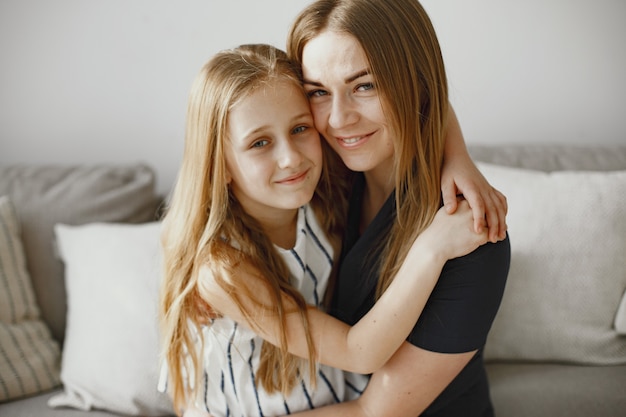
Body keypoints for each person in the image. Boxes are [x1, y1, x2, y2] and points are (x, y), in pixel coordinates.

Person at [158, 43, 489, 417]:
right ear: (221, 165)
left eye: (300, 128)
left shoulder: (321, 194)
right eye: (259, 143)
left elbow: (419, 103)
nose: (290, 157)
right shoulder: (223, 270)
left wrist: (459, 158)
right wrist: (432, 250)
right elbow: (358, 352)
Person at [283, 0, 511, 416]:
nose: (338, 119)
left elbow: (376, 413)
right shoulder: (319, 175)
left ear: (416, 82)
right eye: (318, 92)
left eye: (364, 86)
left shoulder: (471, 235)